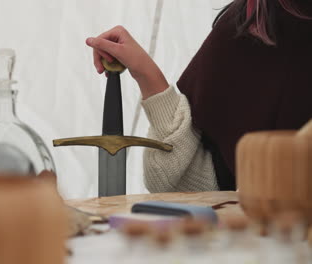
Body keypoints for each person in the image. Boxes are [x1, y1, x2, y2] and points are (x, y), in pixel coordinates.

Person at [86, 0, 312, 193]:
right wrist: (145, 73)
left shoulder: (255, 20)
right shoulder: (249, 21)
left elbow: (172, 178)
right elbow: (180, 180)